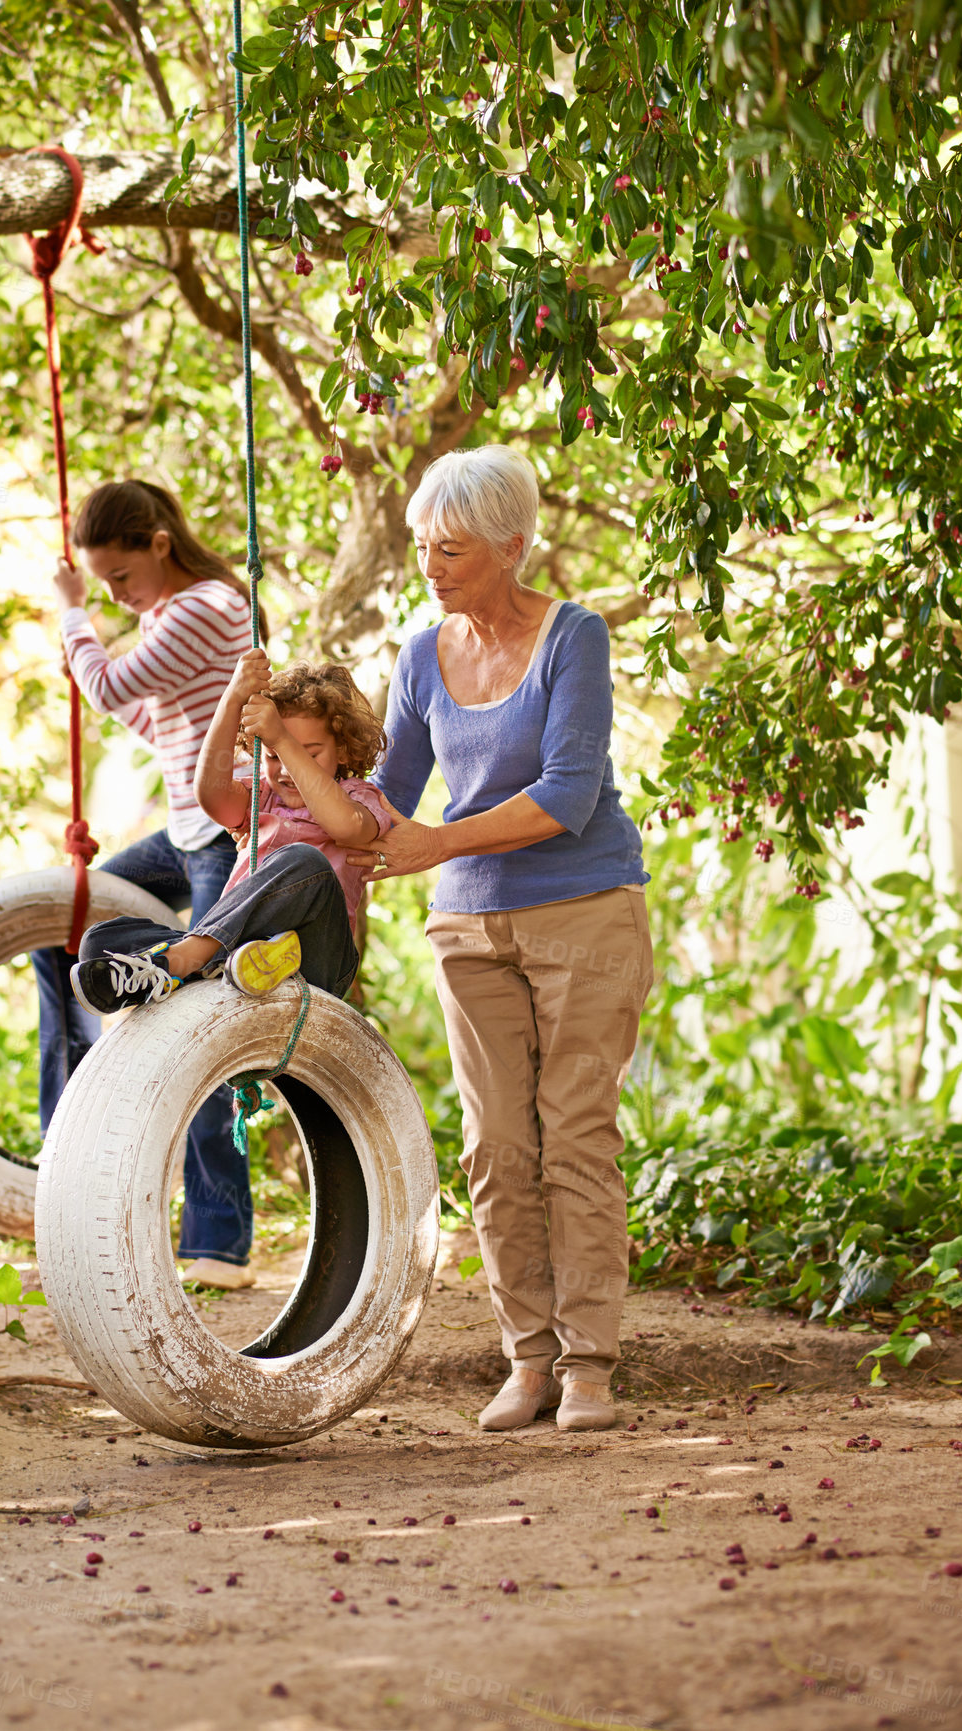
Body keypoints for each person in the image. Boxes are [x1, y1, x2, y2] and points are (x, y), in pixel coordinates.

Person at [351, 446, 653, 1433]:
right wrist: (276, 742)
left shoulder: (576, 638)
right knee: (493, 1149)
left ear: (514, 546)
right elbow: (387, 804)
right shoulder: (419, 654)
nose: (432, 566)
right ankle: (527, 1362)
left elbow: (567, 796)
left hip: (585, 907)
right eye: (423, 548)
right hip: (469, 924)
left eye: (454, 549)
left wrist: (438, 842)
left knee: (575, 1137)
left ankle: (591, 1367)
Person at [36, 479, 259, 1290]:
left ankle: (219, 1240)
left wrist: (71, 614)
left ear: (160, 546)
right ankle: (66, 1168)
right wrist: (88, 636)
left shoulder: (207, 605)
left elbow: (106, 690)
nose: (114, 596)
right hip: (185, 830)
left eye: (120, 578)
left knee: (198, 1013)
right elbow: (143, 716)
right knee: (61, 932)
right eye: (101, 586)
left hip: (227, 833)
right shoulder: (165, 617)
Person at [69, 651, 391, 1019]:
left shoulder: (357, 796)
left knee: (305, 861)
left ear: (345, 750)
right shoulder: (261, 797)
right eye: (271, 756)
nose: (285, 769)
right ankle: (213, 961)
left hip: (319, 956)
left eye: (309, 753)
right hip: (239, 948)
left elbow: (346, 826)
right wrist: (233, 698)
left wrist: (282, 739)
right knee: (99, 942)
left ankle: (189, 957)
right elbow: (211, 794)